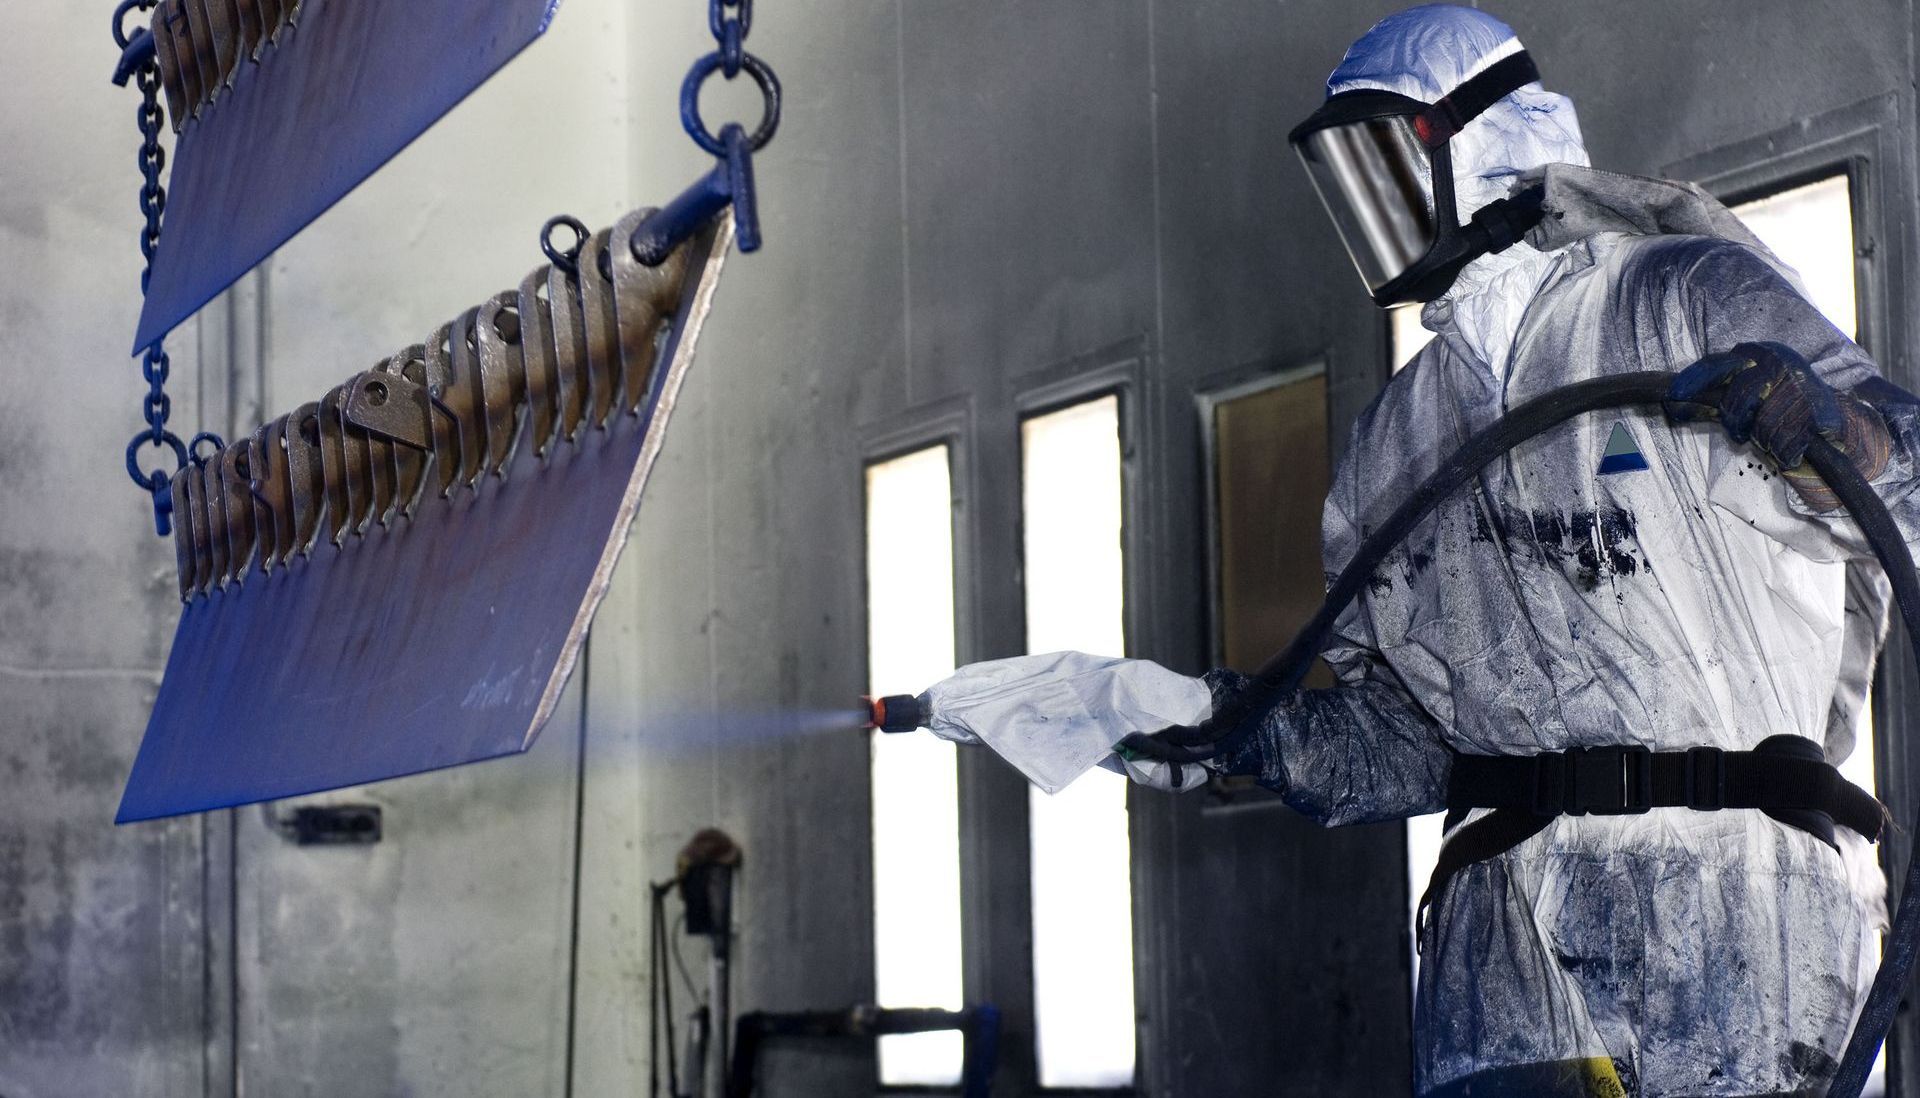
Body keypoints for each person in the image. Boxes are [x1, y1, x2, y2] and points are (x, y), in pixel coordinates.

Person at [911, 5, 1920, 1095]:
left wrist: (1821, 422)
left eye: (1389, 164)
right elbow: (1416, 738)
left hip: (1734, 934)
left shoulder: (1678, 305)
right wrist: (1222, 725)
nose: (1369, 212)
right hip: (1501, 972)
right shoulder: (1397, 443)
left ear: (1490, 146)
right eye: (1347, 182)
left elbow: (1895, 475)